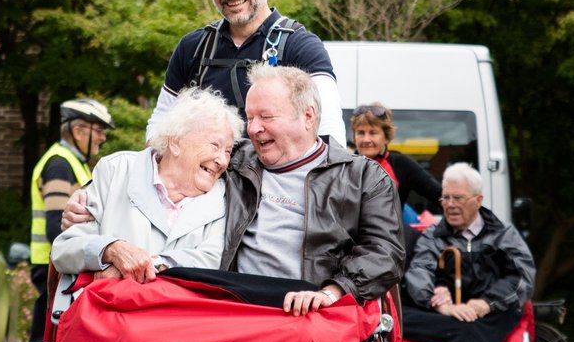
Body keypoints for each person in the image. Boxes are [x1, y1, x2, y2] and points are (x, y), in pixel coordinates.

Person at [67, 65, 403, 315]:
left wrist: (334, 290)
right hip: (233, 306)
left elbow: (385, 250)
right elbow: (170, 155)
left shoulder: (362, 177)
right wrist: (85, 196)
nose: (253, 128)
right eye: (250, 116)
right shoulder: (236, 161)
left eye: (266, 117)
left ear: (308, 116)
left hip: (312, 305)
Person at [49, 87, 244, 314]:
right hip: (109, 319)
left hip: (179, 326)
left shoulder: (223, 197)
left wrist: (143, 265)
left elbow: (210, 261)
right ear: (176, 142)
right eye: (215, 146)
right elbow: (64, 249)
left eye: (228, 151)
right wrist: (110, 250)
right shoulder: (116, 171)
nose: (222, 160)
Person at [145, 0, 345, 143]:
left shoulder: (302, 47)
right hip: (205, 174)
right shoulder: (194, 48)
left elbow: (330, 134)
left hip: (276, 175)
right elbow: (158, 127)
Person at [20, 97, 113, 342]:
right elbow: (53, 226)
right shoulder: (59, 164)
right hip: (51, 268)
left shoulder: (72, 162)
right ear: (78, 130)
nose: (102, 137)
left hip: (56, 267)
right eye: (98, 130)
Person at [402, 162, 534, 342]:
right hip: (444, 314)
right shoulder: (433, 235)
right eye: (445, 198)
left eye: (458, 198)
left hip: (486, 312)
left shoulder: (503, 234)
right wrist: (437, 299)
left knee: (476, 329)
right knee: (399, 319)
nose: (450, 204)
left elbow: (522, 277)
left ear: (478, 200)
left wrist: (486, 303)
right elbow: (419, 269)